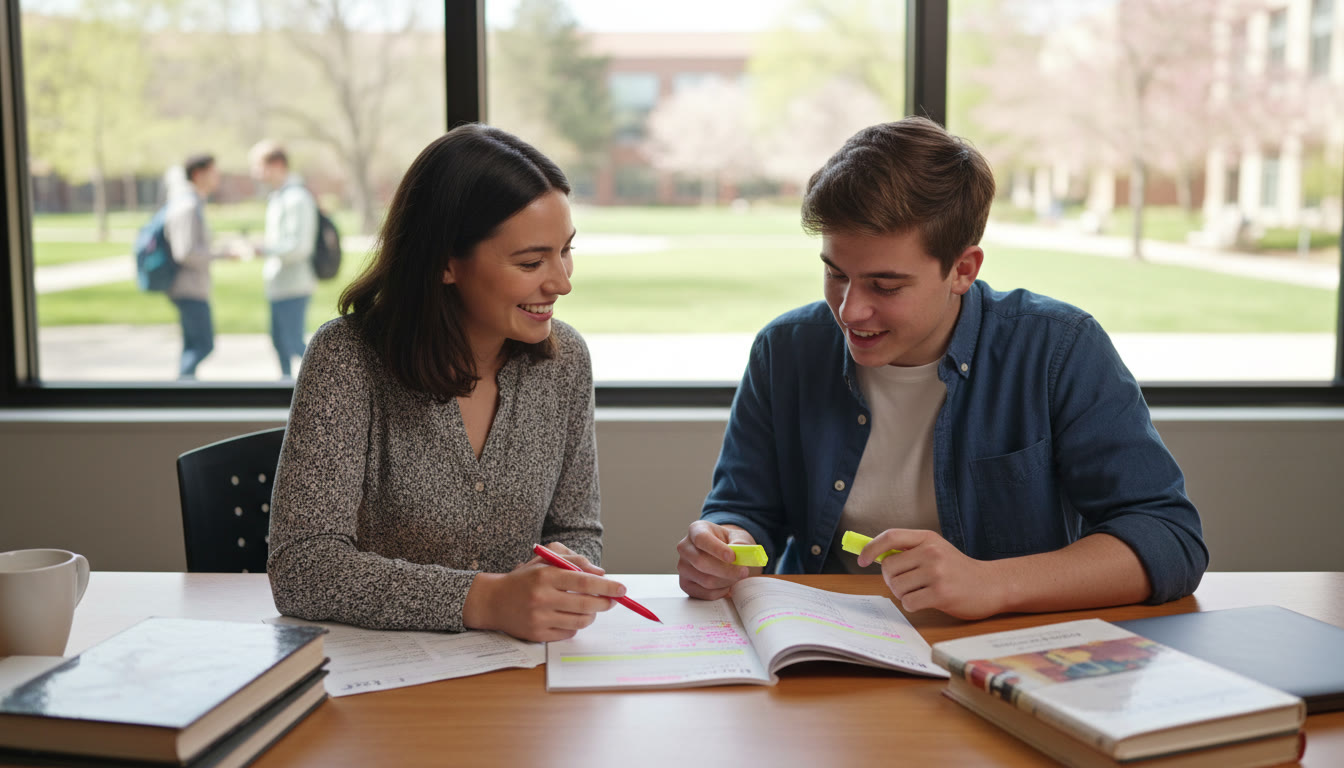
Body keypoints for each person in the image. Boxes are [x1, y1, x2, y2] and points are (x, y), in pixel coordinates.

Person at [676, 117, 1207, 619]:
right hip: (817, 648)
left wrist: (991, 582)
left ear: (963, 270)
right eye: (836, 274)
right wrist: (727, 544)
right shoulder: (785, 350)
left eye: (885, 286)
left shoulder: (1058, 348)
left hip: (998, 651)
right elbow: (744, 509)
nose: (850, 310)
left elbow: (1168, 537)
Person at [267, 124, 624, 642]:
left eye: (565, 251)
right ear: (445, 264)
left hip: (518, 677)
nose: (561, 282)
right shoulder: (347, 358)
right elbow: (303, 568)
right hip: (374, 688)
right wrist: (482, 599)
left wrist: (568, 576)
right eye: (531, 261)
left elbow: (574, 532)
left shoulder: (564, 360)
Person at [248, 140, 318, 380]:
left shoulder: (296, 198)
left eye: (258, 165)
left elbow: (300, 246)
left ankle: (322, 384)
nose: (255, 172)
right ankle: (287, 391)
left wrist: (265, 249)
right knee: (280, 343)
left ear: (276, 164)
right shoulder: (278, 197)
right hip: (279, 285)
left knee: (293, 343)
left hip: (293, 285)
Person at [163, 153, 234, 380]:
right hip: (188, 288)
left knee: (193, 345)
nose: (217, 176)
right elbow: (185, 251)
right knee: (203, 345)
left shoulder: (192, 202)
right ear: (197, 174)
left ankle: (183, 389)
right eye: (213, 171)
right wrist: (220, 253)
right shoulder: (187, 205)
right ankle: (181, 389)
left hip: (192, 286)